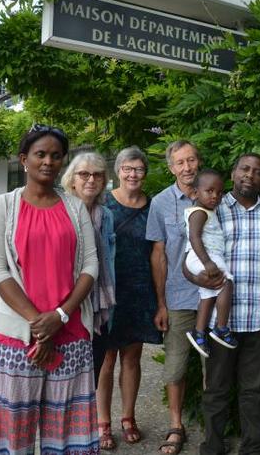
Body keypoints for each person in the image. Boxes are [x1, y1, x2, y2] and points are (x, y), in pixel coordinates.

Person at [0, 124, 99, 454]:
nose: (48, 161)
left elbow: (91, 266)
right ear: (24, 159)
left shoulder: (75, 208)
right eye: (40, 154)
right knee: (14, 432)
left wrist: (59, 316)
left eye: (56, 156)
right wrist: (40, 325)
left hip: (70, 333)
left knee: (67, 432)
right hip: (16, 337)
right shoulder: (2, 206)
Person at [184, 153, 260, 455]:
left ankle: (252, 448)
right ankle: (213, 446)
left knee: (254, 390)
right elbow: (187, 259)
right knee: (216, 389)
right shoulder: (211, 211)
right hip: (223, 324)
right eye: (244, 169)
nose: (250, 175)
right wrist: (198, 280)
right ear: (233, 173)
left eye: (258, 172)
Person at [99, 146, 163, 446]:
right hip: (109, 291)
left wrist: (160, 300)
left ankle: (128, 417)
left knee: (132, 359)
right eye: (127, 168)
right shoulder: (103, 205)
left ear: (145, 172)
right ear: (118, 171)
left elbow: (158, 254)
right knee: (106, 360)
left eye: (138, 168)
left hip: (140, 290)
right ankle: (102, 423)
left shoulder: (154, 207)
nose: (133, 174)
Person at [146, 140, 201, 454]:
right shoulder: (161, 202)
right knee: (176, 367)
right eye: (180, 162)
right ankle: (175, 426)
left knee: (214, 367)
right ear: (171, 168)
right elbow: (159, 255)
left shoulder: (214, 195)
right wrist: (161, 303)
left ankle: (213, 426)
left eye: (191, 160)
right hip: (178, 297)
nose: (187, 167)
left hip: (211, 298)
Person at [61, 152, 118, 450]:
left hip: (99, 307)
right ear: (71, 178)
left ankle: (81, 440)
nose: (91, 179)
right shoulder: (61, 210)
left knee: (90, 378)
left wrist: (108, 302)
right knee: (63, 381)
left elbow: (109, 261)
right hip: (67, 307)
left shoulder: (106, 214)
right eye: (84, 174)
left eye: (97, 174)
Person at [184, 168, 236, 357]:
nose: (215, 196)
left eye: (219, 192)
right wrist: (207, 262)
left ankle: (199, 332)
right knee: (226, 283)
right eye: (209, 191)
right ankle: (221, 327)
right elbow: (194, 238)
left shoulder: (206, 211)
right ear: (196, 192)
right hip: (203, 256)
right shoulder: (199, 213)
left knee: (208, 294)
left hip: (204, 256)